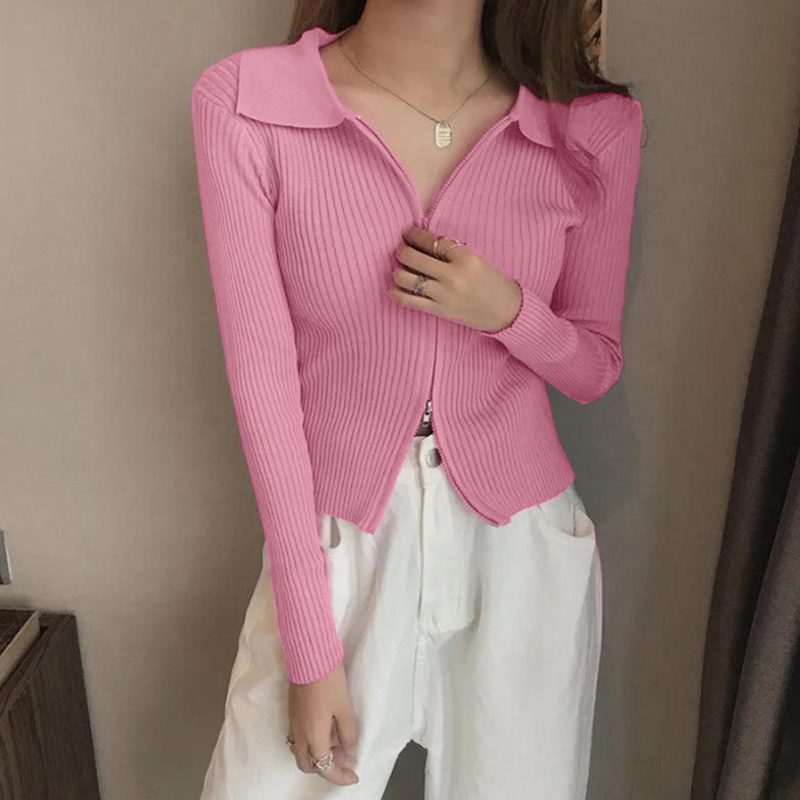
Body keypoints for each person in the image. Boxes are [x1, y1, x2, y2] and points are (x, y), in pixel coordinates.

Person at [191, 1, 644, 798]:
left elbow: (594, 368)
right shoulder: (248, 102)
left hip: (521, 553)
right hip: (338, 546)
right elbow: (262, 383)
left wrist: (508, 312)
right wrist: (311, 649)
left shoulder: (591, 126)